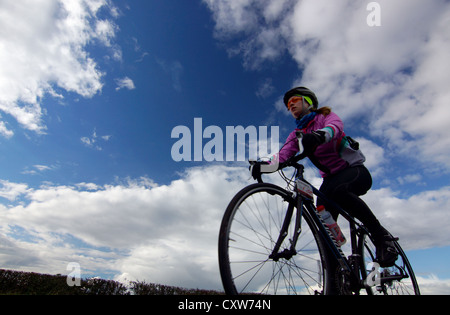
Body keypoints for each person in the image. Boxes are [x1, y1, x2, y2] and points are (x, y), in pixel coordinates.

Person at [256, 86, 398, 268]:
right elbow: (283, 154)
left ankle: (382, 238)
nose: (290, 105)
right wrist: (265, 167)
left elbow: (335, 128)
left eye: (294, 100)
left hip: (355, 171)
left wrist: (319, 135)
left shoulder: (325, 116)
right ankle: (337, 271)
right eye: (287, 105)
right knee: (321, 212)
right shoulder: (296, 135)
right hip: (330, 180)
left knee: (338, 191)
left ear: (308, 102)